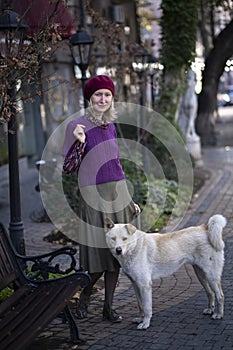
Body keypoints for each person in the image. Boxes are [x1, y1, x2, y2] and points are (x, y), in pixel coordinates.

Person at [62, 75, 140, 323]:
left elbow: (115, 164)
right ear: (89, 97)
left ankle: (108, 307)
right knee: (98, 256)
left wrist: (129, 200)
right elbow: (68, 168)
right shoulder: (77, 126)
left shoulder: (110, 126)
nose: (103, 99)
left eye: (107, 95)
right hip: (93, 195)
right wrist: (79, 142)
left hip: (117, 193)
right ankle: (84, 297)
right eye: (98, 95)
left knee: (116, 257)